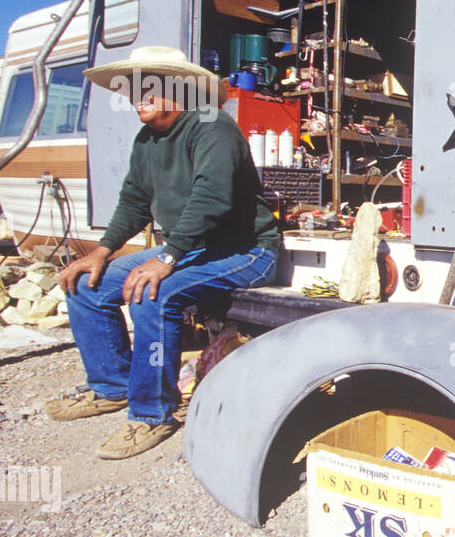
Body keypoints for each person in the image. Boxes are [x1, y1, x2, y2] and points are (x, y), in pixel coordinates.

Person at [46, 46, 280, 460]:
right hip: (191, 250)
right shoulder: (148, 138)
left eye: (149, 86)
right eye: (133, 87)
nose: (137, 94)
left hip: (245, 252)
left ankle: (153, 414)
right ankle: (111, 386)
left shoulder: (212, 126)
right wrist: (103, 249)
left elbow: (211, 197)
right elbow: (135, 200)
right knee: (85, 284)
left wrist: (167, 257)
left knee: (155, 293)